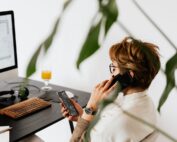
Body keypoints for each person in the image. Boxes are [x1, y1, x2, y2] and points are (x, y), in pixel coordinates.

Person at [61, 37, 160, 142]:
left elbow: (104, 131)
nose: (111, 74)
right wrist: (83, 115)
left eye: (114, 68)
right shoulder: (147, 103)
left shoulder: (113, 122)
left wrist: (90, 107)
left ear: (129, 75)